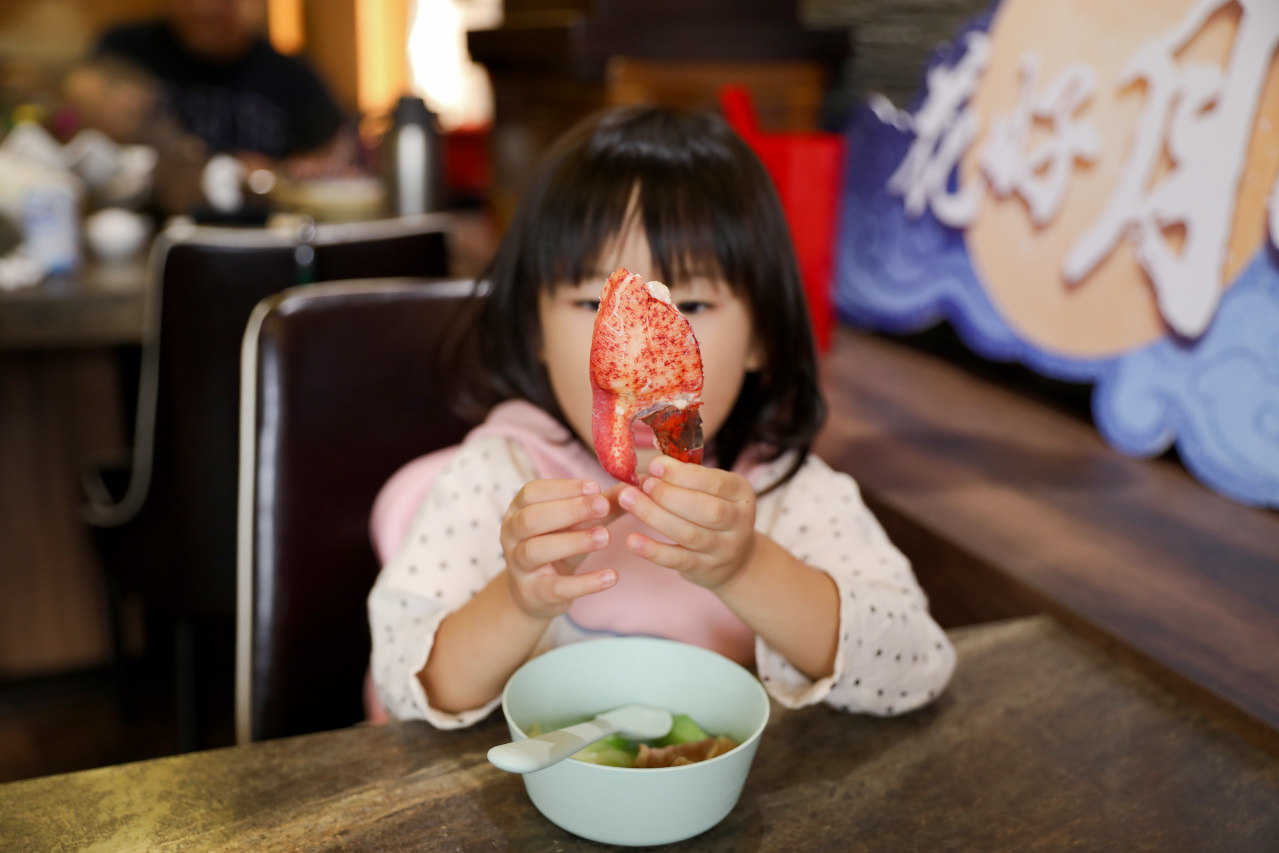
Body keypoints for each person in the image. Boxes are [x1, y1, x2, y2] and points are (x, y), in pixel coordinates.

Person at [366, 106, 955, 728]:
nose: (641, 351)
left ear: (762, 337)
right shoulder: (494, 477)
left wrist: (749, 565)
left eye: (692, 301)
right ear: (534, 329)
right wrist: (517, 598)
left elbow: (916, 669)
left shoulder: (789, 495)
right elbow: (403, 687)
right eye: (596, 300)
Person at [69, 0, 349, 184]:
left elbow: (337, 147)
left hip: (262, 234)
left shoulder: (292, 72)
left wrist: (291, 172)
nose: (205, 7)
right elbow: (74, 107)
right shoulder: (128, 49)